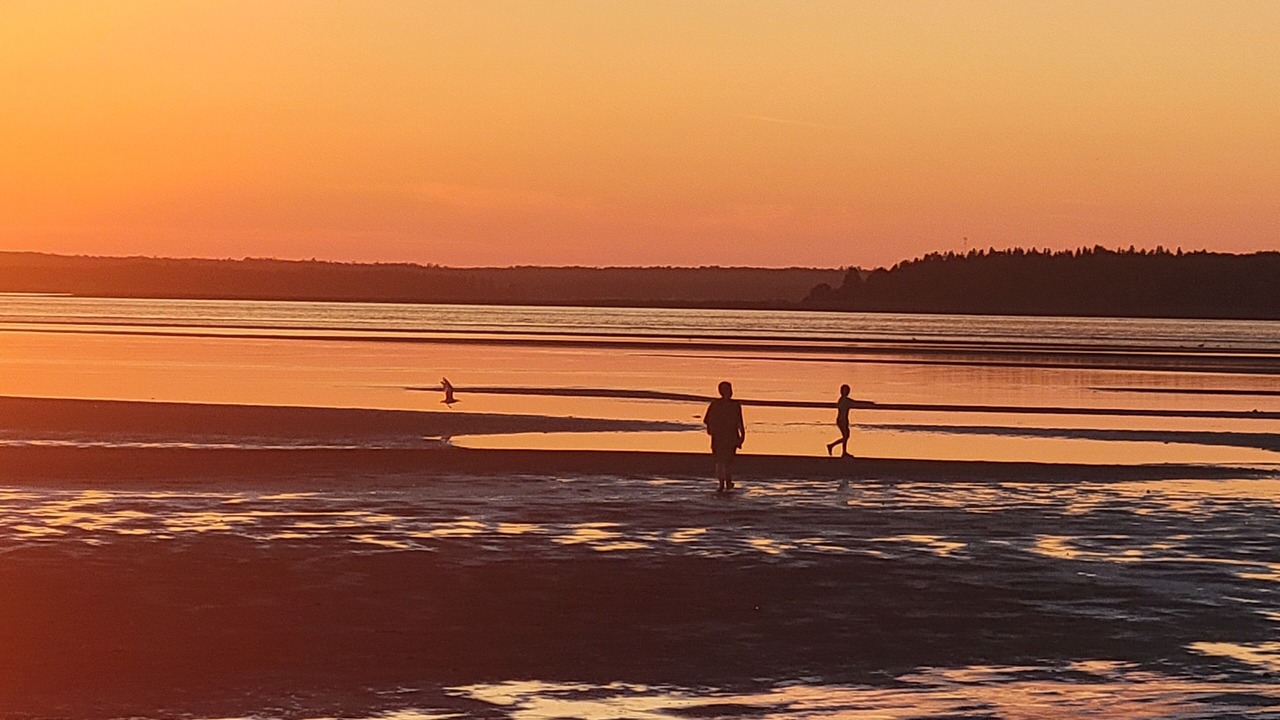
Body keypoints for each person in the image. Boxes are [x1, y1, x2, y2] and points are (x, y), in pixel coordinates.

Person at [704, 381, 745, 492]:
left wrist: (742, 435)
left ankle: (726, 482)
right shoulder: (718, 404)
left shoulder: (733, 404)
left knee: (725, 461)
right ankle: (724, 482)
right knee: (723, 461)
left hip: (728, 436)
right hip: (722, 436)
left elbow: (739, 421)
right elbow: (708, 420)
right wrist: (742, 435)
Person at [826, 384, 856, 457]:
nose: (846, 392)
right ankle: (835, 447)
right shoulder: (844, 400)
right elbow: (855, 403)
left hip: (844, 420)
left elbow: (855, 402)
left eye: (847, 391)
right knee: (846, 436)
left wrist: (869, 403)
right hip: (841, 420)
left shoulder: (844, 399)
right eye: (844, 390)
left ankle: (837, 448)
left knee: (846, 436)